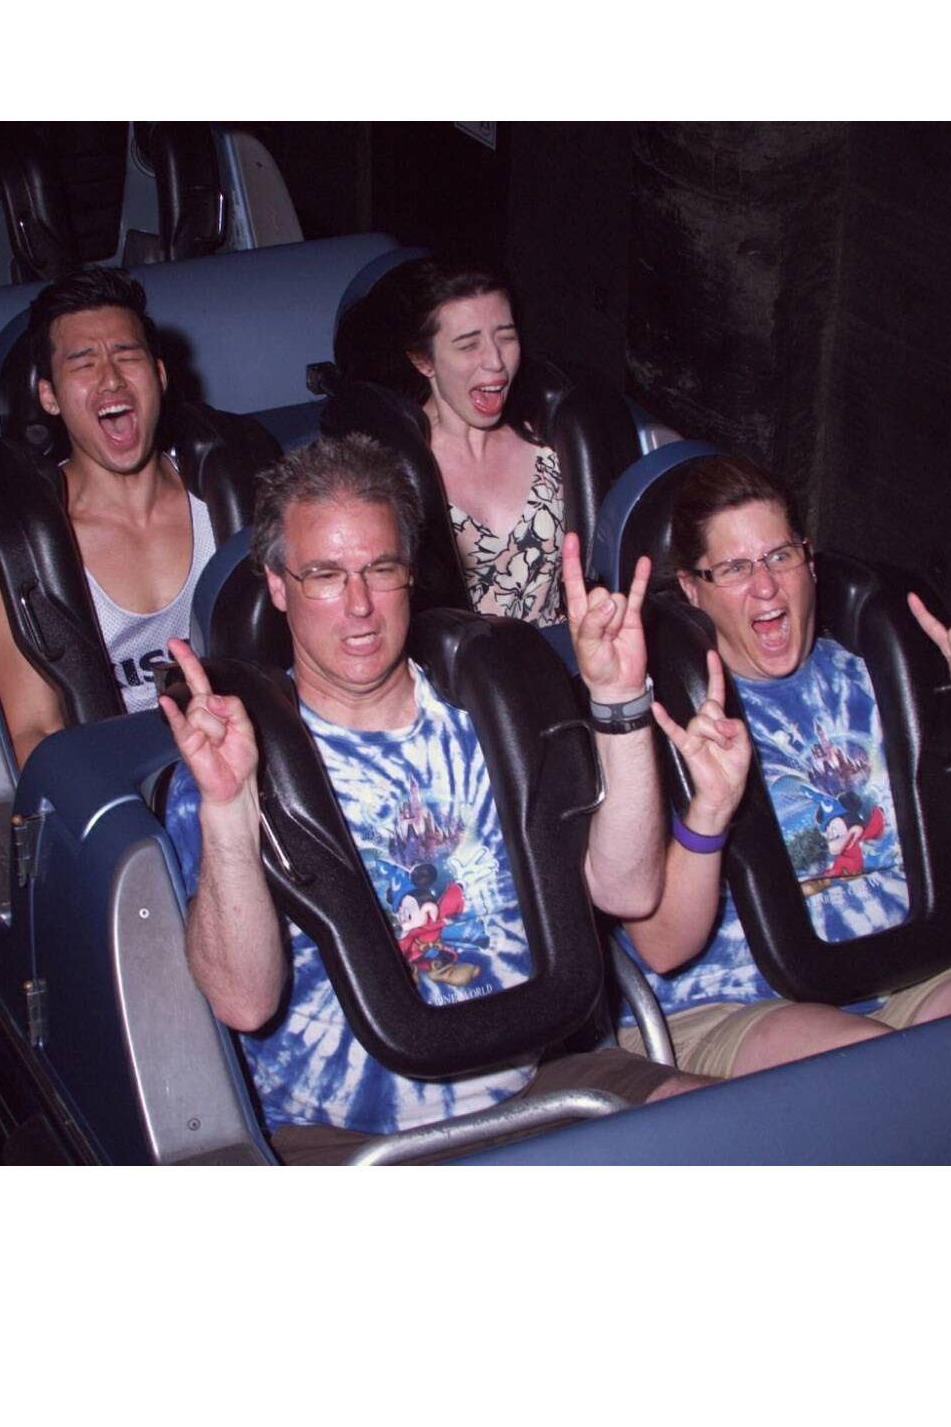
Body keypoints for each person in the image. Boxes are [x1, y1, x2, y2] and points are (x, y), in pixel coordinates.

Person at [159, 434, 699, 1164]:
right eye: (324, 576)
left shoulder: (499, 722)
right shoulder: (234, 757)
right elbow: (243, 1002)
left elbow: (627, 890)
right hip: (349, 1139)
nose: (358, 607)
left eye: (380, 569)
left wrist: (618, 700)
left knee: (727, 1131)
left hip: (545, 1084)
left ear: (410, 572)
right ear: (278, 586)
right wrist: (228, 810)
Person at [621, 453, 951, 1081]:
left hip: (905, 978)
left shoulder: (873, 680)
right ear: (692, 589)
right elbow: (664, 947)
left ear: (809, 561)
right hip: (733, 1005)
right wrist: (709, 814)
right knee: (876, 1075)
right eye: (736, 568)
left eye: (780, 556)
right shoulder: (663, 722)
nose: (766, 587)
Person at [0, 266, 215, 766]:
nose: (111, 379)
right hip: (118, 782)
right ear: (49, 396)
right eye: (83, 363)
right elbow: (35, 733)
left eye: (127, 356)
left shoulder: (229, 504)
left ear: (160, 375)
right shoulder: (14, 558)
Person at [389, 259, 566, 626]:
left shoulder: (552, 442)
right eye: (469, 345)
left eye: (506, 337)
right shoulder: (397, 469)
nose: (496, 362)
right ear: (423, 360)